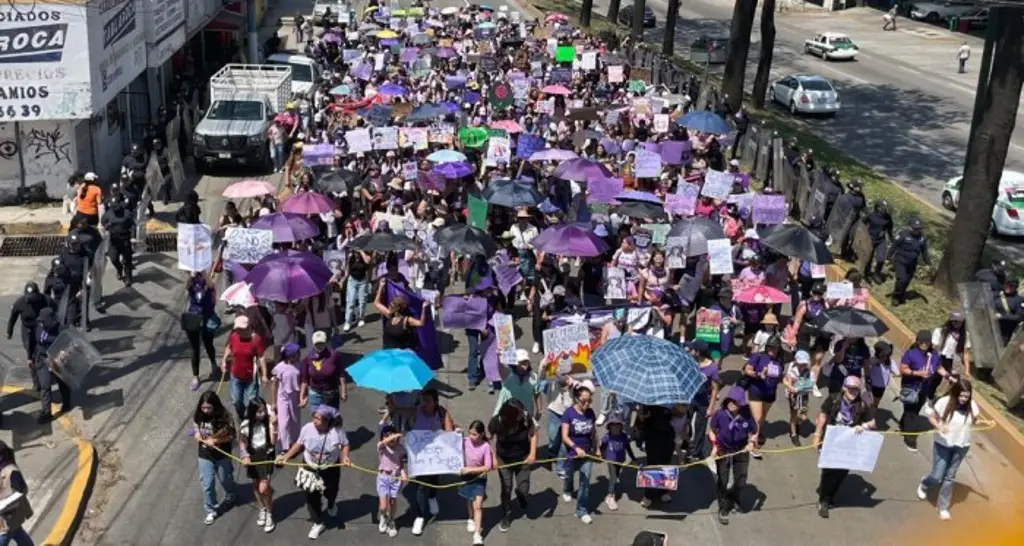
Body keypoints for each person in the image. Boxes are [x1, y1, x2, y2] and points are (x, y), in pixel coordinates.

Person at [917, 378, 993, 520]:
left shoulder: (972, 406)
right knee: (937, 475)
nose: (964, 399)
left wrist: (985, 421)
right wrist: (939, 426)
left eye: (967, 396)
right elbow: (932, 417)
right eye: (961, 395)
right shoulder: (944, 402)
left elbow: (974, 421)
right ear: (955, 392)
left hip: (961, 446)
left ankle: (943, 507)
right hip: (943, 444)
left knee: (950, 477)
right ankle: (925, 483)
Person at [275, 405, 351, 540]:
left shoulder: (337, 432)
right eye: (314, 417)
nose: (314, 421)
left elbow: (345, 444)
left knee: (331, 491)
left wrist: (345, 457)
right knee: (311, 495)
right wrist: (286, 457)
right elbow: (298, 444)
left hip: (330, 467)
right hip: (309, 466)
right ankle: (317, 522)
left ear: (327, 421)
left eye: (318, 419)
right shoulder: (307, 428)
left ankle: (331, 503)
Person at [812, 375, 876, 518]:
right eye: (850, 389)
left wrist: (864, 426)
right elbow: (823, 414)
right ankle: (823, 500)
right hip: (831, 442)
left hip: (849, 445)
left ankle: (830, 496)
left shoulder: (863, 404)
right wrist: (817, 435)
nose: (853, 392)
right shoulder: (833, 399)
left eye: (856, 390)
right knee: (829, 472)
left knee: (841, 473)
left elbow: (873, 422)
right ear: (844, 388)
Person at [407, 388, 455, 536]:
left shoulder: (442, 413)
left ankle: (432, 497)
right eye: (423, 400)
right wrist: (393, 407)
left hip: (435, 455)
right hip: (420, 455)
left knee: (434, 480)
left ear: (435, 402)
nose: (424, 403)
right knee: (421, 485)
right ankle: (420, 516)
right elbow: (403, 412)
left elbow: (449, 432)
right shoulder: (417, 411)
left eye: (428, 401)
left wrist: (442, 434)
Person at [708, 386, 756, 525]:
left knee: (741, 480)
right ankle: (723, 507)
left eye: (735, 402)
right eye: (730, 400)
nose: (731, 403)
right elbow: (711, 430)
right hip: (723, 450)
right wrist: (714, 446)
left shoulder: (746, 415)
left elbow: (754, 431)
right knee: (723, 480)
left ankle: (733, 497)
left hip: (740, 451)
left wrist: (752, 442)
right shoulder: (720, 414)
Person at [489, 398, 537, 532]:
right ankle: (507, 515)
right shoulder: (496, 422)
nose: (522, 415)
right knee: (506, 488)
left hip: (523, 458)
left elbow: (533, 434)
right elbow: (487, 439)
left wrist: (532, 453)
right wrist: (492, 458)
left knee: (524, 486)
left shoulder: (526, 418)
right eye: (519, 413)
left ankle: (521, 495)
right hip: (503, 459)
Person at [193, 391, 237, 525]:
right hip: (205, 455)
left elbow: (232, 435)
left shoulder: (225, 418)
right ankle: (210, 508)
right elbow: (195, 424)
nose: (205, 410)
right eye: (203, 407)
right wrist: (196, 432)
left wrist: (216, 440)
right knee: (207, 484)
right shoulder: (199, 415)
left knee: (225, 479)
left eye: (209, 408)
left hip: (222, 454)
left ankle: (230, 493)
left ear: (215, 406)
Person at [561, 380, 598, 524]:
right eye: (583, 401)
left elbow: (594, 433)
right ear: (576, 398)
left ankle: (581, 510)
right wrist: (576, 448)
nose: (586, 404)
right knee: (569, 474)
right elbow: (564, 436)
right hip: (572, 452)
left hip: (587, 453)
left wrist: (598, 448)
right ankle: (567, 488)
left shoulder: (590, 413)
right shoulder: (568, 413)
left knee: (585, 482)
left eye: (589, 401)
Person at [238, 397, 277, 533]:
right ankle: (263, 508)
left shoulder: (269, 422)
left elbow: (273, 442)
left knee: (263, 488)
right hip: (253, 456)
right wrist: (244, 455)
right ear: (253, 412)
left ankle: (270, 514)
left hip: (266, 456)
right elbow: (242, 442)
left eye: (263, 411)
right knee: (255, 484)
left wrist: (274, 425)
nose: (262, 414)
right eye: (259, 412)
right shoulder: (245, 425)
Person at [742, 337, 784, 459]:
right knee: (758, 418)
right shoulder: (758, 356)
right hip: (756, 390)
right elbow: (747, 369)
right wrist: (759, 374)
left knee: (762, 416)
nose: (772, 349)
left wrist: (787, 381)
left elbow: (781, 375)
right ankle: (752, 444)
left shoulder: (780, 360)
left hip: (770, 393)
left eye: (775, 347)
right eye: (770, 347)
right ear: (766, 347)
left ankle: (755, 431)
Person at [220, 316, 268, 419]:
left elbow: (261, 357)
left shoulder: (256, 340)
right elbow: (229, 347)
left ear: (247, 328)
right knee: (236, 400)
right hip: (235, 375)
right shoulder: (234, 336)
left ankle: (251, 419)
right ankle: (242, 416)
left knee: (252, 400)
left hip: (251, 376)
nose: (237, 331)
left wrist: (264, 375)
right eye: (236, 329)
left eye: (239, 329)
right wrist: (224, 360)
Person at [899, 330, 938, 452]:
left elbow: (939, 367)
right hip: (910, 387)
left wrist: (949, 377)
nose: (924, 344)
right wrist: (917, 373)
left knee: (915, 409)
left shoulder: (934, 354)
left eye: (927, 342)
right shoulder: (911, 354)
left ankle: (903, 423)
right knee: (911, 412)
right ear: (917, 341)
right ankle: (910, 438)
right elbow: (903, 369)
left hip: (924, 388)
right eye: (921, 342)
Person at [31, 308, 71, 424]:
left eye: (44, 321)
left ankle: (67, 403)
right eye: (41, 321)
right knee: (45, 385)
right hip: (43, 359)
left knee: (63, 382)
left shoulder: (61, 328)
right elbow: (42, 338)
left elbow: (69, 340)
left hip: (57, 358)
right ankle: (46, 413)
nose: (42, 323)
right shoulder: (39, 328)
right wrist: (58, 339)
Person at [685, 340, 720, 465]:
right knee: (685, 423)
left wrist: (711, 407)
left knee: (700, 428)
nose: (691, 351)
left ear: (698, 352)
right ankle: (686, 444)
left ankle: (696, 453)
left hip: (703, 402)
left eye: (693, 349)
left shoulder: (712, 368)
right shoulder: (691, 362)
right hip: (690, 399)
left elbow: (715, 389)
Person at [183, 272, 219, 390]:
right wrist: (192, 275)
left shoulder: (208, 279)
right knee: (195, 348)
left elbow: (210, 284)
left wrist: (204, 273)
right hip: (193, 317)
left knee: (208, 343)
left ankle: (213, 364)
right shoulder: (191, 280)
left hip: (207, 316)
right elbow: (187, 286)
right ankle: (196, 376)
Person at [634, 404, 675, 507]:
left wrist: (676, 409)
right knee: (652, 464)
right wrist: (640, 413)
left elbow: (681, 414)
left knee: (665, 463)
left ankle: (664, 491)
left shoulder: (672, 399)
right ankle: (648, 495)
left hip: (669, 435)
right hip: (652, 435)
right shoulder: (648, 400)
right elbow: (641, 419)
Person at [7, 282, 56, 366]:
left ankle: (42, 365)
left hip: (42, 327)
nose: (31, 300)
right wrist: (9, 331)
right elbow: (12, 318)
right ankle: (33, 363)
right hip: (27, 328)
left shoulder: (46, 300)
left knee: (42, 347)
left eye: (33, 297)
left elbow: (55, 312)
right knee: (29, 347)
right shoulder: (20, 303)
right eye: (29, 297)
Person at [299, 331, 348, 414]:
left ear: (326, 342)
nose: (319, 346)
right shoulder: (308, 358)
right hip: (315, 393)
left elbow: (341, 375)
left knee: (331, 421)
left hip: (331, 393)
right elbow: (304, 380)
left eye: (321, 343)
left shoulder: (334, 355)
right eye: (317, 344)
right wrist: (302, 396)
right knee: (317, 421)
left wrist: (344, 391)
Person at [460, 420, 492, 546]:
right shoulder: (465, 441)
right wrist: (457, 435)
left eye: (474, 434)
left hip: (479, 479)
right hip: (466, 477)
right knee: (469, 499)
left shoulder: (485, 446)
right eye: (470, 433)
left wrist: (471, 469)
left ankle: (477, 534)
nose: (471, 437)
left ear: (481, 434)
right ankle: (470, 518)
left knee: (478, 505)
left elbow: (487, 467)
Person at [887, 217, 930, 307]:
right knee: (902, 279)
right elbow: (894, 246)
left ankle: (901, 295)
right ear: (909, 227)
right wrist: (888, 257)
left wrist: (928, 264)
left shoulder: (922, 238)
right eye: (915, 228)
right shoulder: (903, 235)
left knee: (907, 281)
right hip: (900, 260)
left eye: (919, 228)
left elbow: (924, 251)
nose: (917, 230)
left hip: (912, 263)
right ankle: (895, 297)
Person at [598, 412, 636, 511]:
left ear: (620, 427)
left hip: (620, 460)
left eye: (617, 426)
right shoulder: (607, 437)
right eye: (613, 426)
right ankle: (610, 496)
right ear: (609, 427)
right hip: (610, 460)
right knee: (613, 477)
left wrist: (633, 458)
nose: (615, 428)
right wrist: (600, 454)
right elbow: (602, 447)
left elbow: (628, 448)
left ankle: (612, 489)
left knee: (616, 475)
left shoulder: (623, 436)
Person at [0, 441, 34, 546]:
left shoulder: (11, 471)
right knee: (18, 533)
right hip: (5, 516)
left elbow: (22, 491)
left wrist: (4, 504)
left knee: (6, 535)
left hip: (9, 515)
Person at [271, 342, 302, 452]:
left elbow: (303, 382)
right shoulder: (279, 368)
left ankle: (295, 443)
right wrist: (274, 402)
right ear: (288, 355)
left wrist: (303, 396)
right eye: (294, 354)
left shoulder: (300, 365)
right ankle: (284, 446)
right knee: (283, 423)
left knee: (295, 421)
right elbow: (274, 386)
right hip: (283, 398)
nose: (297, 356)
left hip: (295, 397)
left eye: (298, 354)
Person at [493, 349, 541, 419]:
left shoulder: (534, 377)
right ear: (516, 363)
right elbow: (500, 367)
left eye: (525, 361)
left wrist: (539, 410)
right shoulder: (508, 374)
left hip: (525, 414)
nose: (524, 364)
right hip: (506, 412)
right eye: (521, 362)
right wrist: (499, 357)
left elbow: (537, 393)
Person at [375, 424, 405, 537]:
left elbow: (401, 463)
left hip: (395, 479)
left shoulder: (400, 448)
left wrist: (403, 473)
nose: (391, 439)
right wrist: (393, 435)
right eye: (387, 436)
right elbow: (382, 442)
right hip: (383, 477)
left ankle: (391, 521)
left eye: (393, 437)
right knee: (383, 506)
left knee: (392, 501)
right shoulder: (382, 447)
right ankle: (383, 516)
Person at [101, 194, 136, 286]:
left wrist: (133, 237)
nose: (114, 207)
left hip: (125, 238)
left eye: (115, 205)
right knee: (113, 258)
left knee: (127, 260)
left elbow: (133, 225)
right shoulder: (108, 214)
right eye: (112, 206)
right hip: (114, 240)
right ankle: (119, 269)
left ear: (119, 204)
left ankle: (128, 277)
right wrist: (106, 226)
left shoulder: (127, 213)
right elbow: (103, 222)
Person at [784, 350, 815, 445]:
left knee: (803, 417)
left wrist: (809, 387)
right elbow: (787, 382)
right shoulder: (792, 370)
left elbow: (812, 383)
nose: (802, 366)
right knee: (794, 415)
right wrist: (791, 387)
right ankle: (793, 434)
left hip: (804, 395)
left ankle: (796, 422)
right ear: (796, 362)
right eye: (801, 364)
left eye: (804, 364)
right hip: (793, 396)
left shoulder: (809, 371)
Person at [862, 200, 894, 285]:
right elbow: (862, 223)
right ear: (878, 208)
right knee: (869, 257)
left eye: (886, 209)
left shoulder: (888, 219)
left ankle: (876, 274)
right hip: (870, 239)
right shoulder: (871, 215)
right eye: (884, 208)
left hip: (881, 240)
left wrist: (892, 241)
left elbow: (890, 231)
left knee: (881, 258)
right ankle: (866, 273)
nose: (885, 210)